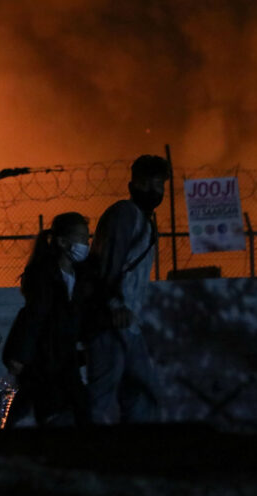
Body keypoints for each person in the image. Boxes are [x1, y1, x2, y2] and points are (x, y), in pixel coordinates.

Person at [85, 155, 169, 424]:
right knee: (104, 396)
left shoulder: (144, 220)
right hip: (111, 321)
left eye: (159, 183)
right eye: (148, 182)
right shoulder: (125, 214)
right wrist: (115, 305)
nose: (154, 190)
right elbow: (108, 263)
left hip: (127, 323)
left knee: (140, 394)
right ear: (134, 182)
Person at [2, 212, 91, 427]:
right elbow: (35, 316)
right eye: (80, 238)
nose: (85, 243)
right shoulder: (44, 274)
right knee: (47, 406)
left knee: (70, 407)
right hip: (44, 356)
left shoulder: (81, 275)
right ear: (62, 242)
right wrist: (21, 355)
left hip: (64, 355)